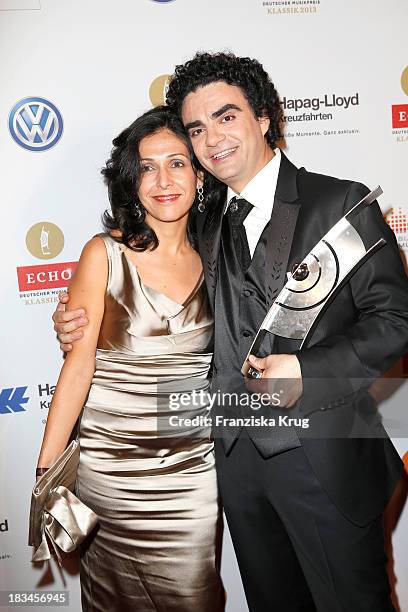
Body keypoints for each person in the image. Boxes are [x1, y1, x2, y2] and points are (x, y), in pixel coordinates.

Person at [53, 52, 408, 612]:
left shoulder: (337, 204)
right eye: (197, 127)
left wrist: (307, 371)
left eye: (226, 116)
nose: (212, 138)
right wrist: (76, 314)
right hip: (234, 468)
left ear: (264, 117)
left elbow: (395, 320)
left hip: (322, 460)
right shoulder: (200, 220)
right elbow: (143, 288)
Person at [37, 105, 225, 612]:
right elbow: (77, 367)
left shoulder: (222, 256)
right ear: (130, 179)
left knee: (195, 598)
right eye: (147, 167)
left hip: (190, 476)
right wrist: (46, 473)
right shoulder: (104, 253)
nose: (163, 180)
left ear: (200, 173)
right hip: (108, 477)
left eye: (178, 163)